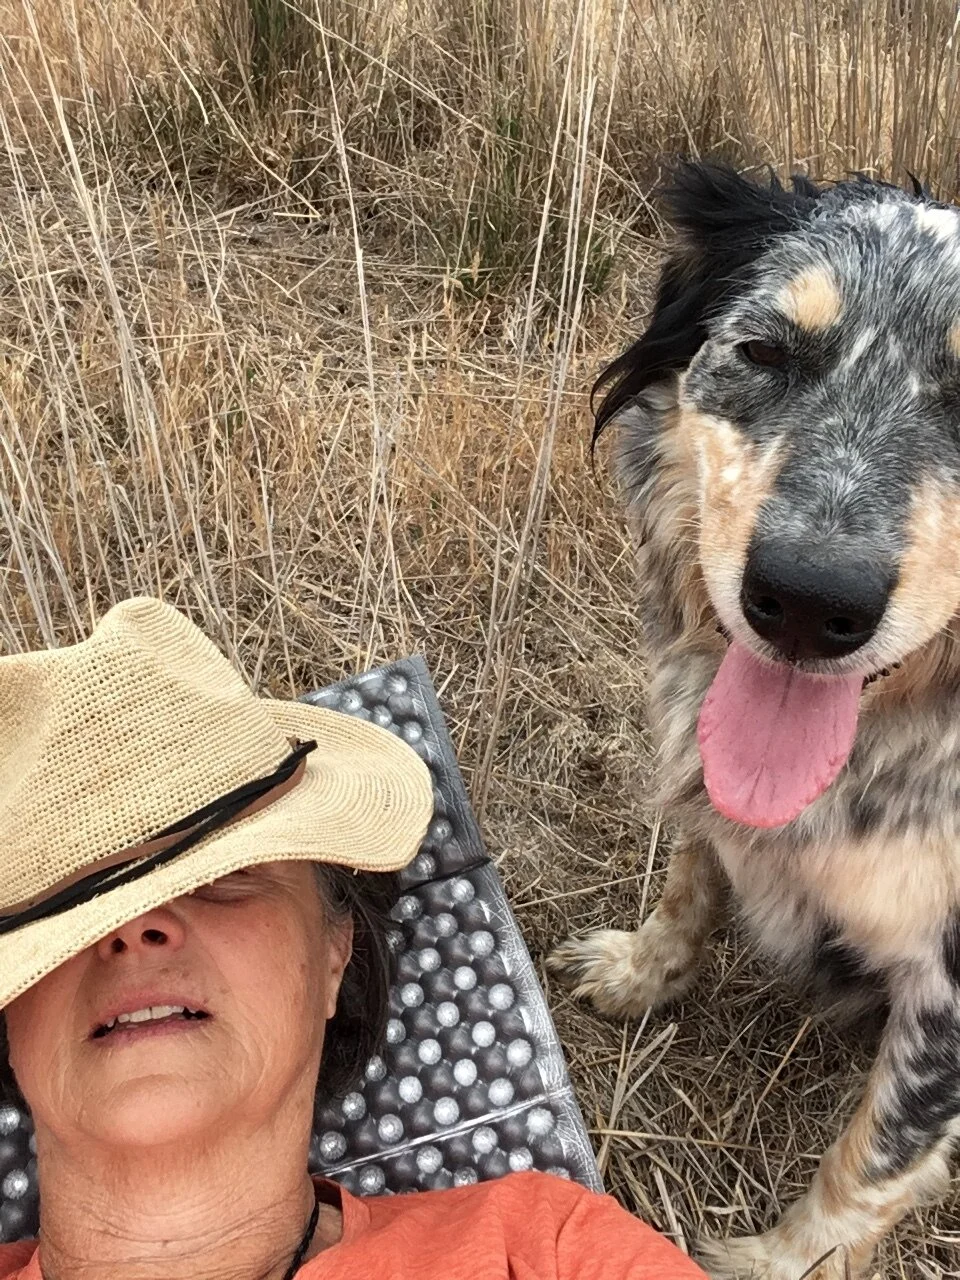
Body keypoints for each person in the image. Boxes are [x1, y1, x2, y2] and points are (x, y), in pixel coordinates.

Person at [0, 596, 707, 1279]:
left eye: (224, 874)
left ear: (335, 951)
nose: (135, 926)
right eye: (66, 903)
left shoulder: (542, 1254)